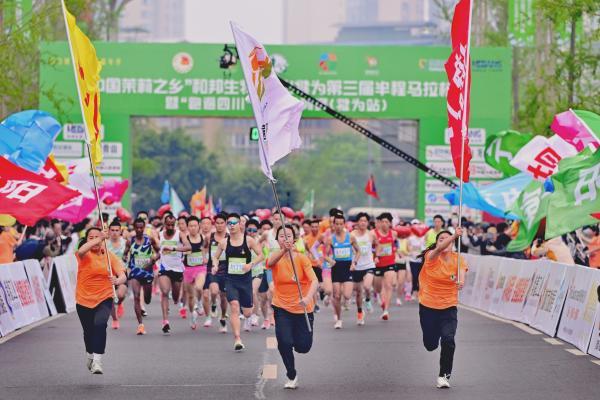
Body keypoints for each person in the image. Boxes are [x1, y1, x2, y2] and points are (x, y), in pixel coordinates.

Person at [267, 224, 318, 390]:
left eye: (289, 236)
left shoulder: (302, 258)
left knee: (303, 347)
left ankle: (297, 339)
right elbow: (269, 263)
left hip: (303, 308)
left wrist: (308, 297)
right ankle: (291, 374)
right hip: (281, 307)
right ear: (278, 240)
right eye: (282, 236)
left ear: (294, 239)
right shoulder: (275, 257)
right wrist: (283, 250)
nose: (285, 238)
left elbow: (314, 281)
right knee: (284, 341)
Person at [418, 227, 467, 389]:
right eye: (441, 239)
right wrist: (453, 235)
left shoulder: (458, 258)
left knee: (448, 340)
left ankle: (444, 376)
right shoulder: (431, 257)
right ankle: (434, 335)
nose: (445, 242)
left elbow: (462, 273)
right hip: (428, 306)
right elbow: (439, 248)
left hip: (449, 306)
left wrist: (461, 281)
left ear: (453, 244)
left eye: (449, 240)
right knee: (430, 345)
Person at [75, 227, 126, 374]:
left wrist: (117, 280)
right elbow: (81, 251)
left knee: (100, 324)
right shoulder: (84, 255)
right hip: (83, 299)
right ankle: (90, 355)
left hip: (104, 297)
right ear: (87, 239)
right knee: (88, 331)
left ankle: (97, 361)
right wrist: (99, 238)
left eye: (98, 236)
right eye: (91, 237)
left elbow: (122, 274)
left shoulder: (109, 256)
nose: (95, 240)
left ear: (104, 239)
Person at [212, 213, 264, 351]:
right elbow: (215, 257)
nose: (232, 225)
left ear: (241, 224)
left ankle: (248, 312)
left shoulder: (249, 241)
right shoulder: (224, 242)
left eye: (234, 222)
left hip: (246, 280)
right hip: (231, 280)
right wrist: (215, 265)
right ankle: (237, 338)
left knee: (247, 313)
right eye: (229, 223)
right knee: (234, 306)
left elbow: (261, 255)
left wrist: (250, 265)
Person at [123, 218, 160, 335]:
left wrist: (154, 259)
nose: (139, 230)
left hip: (147, 273)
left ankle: (147, 301)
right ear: (134, 228)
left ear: (144, 228)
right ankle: (140, 325)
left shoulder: (150, 240)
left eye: (141, 227)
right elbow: (125, 253)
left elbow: (159, 252)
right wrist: (125, 258)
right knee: (137, 297)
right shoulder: (130, 241)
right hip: (135, 273)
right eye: (137, 227)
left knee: (147, 299)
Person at [324, 214, 360, 329]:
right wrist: (330, 260)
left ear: (344, 224)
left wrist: (354, 263)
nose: (339, 226)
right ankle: (339, 319)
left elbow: (358, 251)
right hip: (336, 267)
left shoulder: (350, 237)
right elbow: (324, 254)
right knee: (337, 295)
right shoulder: (330, 239)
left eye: (341, 224)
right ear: (333, 225)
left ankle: (347, 301)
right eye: (337, 224)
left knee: (347, 295)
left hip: (348, 267)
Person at [157, 213, 191, 334]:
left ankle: (175, 302)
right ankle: (165, 321)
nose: (170, 227)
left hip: (177, 269)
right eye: (168, 225)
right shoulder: (159, 234)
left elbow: (188, 247)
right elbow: (155, 249)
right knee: (165, 292)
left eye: (172, 225)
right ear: (164, 224)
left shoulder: (180, 235)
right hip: (164, 268)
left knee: (176, 298)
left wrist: (174, 249)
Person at [350, 212, 378, 325]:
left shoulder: (371, 234)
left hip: (369, 265)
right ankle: (360, 312)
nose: (363, 223)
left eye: (365, 221)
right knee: (358, 292)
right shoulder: (352, 235)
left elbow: (378, 245)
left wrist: (377, 256)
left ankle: (367, 300)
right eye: (361, 220)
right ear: (357, 222)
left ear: (367, 222)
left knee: (367, 286)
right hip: (357, 266)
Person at [183, 216, 208, 330]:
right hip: (188, 269)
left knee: (199, 287)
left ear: (199, 226)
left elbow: (206, 249)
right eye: (190, 226)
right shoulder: (185, 239)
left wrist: (204, 257)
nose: (193, 228)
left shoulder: (204, 237)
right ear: (188, 227)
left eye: (195, 226)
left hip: (200, 268)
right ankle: (193, 314)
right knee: (190, 296)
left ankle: (200, 303)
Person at [206, 213, 230, 331]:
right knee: (214, 291)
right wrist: (205, 256)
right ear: (214, 224)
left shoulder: (229, 237)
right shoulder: (209, 236)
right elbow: (205, 247)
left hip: (226, 269)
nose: (220, 225)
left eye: (222, 223)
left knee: (224, 297)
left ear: (226, 224)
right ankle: (214, 304)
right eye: (217, 223)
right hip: (213, 268)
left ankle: (223, 318)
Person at [373, 212, 398, 320]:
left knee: (388, 285)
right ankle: (381, 300)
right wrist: (375, 255)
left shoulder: (393, 234)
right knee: (378, 288)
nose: (384, 224)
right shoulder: (374, 234)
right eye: (382, 221)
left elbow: (395, 245)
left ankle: (386, 310)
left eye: (386, 222)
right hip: (378, 264)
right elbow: (369, 246)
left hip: (390, 263)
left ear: (390, 223)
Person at [107, 219, 128, 329]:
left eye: (117, 230)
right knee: (110, 298)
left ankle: (120, 303)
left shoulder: (125, 243)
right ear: (109, 231)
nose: (115, 232)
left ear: (120, 231)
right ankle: (115, 319)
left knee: (120, 295)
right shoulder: (105, 244)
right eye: (112, 230)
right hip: (109, 274)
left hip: (122, 273)